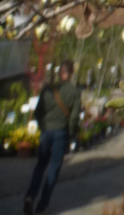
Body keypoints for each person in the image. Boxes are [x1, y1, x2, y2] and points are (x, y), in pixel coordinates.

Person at [24, 59, 81, 215]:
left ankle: (30, 196)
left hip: (46, 131)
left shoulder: (48, 89)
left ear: (60, 72)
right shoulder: (74, 92)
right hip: (61, 132)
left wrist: (43, 126)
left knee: (40, 165)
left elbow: (37, 112)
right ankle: (42, 205)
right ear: (71, 73)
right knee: (54, 168)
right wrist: (71, 132)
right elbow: (75, 116)